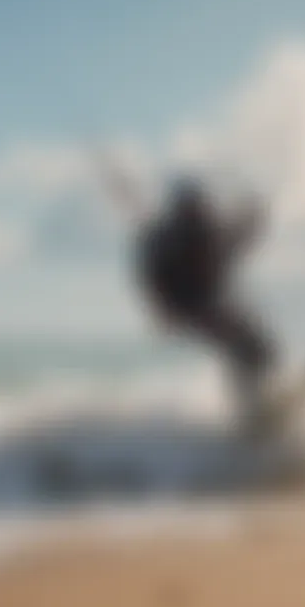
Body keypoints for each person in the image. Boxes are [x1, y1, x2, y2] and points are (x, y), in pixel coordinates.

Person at [105, 165, 279, 438]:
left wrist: (252, 218)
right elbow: (150, 276)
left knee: (261, 349)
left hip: (209, 304)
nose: (197, 214)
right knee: (242, 346)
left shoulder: (208, 231)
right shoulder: (164, 239)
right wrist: (161, 311)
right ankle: (251, 412)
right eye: (191, 209)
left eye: (198, 208)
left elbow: (236, 239)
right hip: (186, 308)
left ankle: (257, 406)